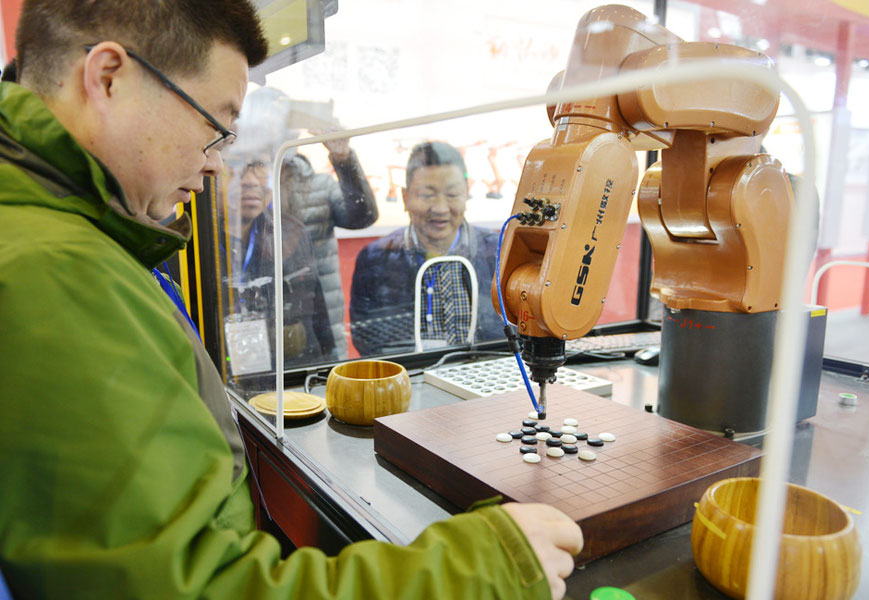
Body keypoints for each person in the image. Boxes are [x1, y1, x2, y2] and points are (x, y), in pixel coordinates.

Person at [0, 2, 581, 600]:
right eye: (214, 124)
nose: (214, 162)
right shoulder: (57, 271)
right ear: (108, 79)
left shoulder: (74, 241)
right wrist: (486, 564)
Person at [236, 86, 378, 360]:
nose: (271, 136)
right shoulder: (239, 186)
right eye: (262, 126)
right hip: (256, 328)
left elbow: (363, 217)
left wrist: (343, 158)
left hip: (314, 326)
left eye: (279, 126)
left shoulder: (317, 184)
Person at [350, 141, 503, 355]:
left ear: (466, 194)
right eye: (427, 195)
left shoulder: (498, 252)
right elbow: (369, 342)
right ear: (405, 197)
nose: (440, 208)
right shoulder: (376, 259)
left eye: (452, 194)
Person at [222, 158, 336, 375]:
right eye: (235, 167)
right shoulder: (190, 244)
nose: (250, 181)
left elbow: (317, 317)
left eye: (260, 166)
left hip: (292, 376)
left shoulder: (290, 233)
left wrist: (327, 372)